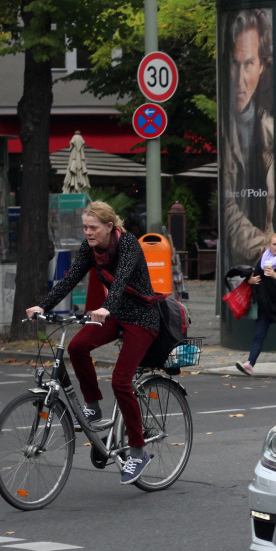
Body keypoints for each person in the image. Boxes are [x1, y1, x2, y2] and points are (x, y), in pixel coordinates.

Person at [25, 201, 160, 485]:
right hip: (114, 313)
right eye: (85, 227)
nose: (88, 232)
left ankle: (138, 450)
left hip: (141, 318)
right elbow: (70, 278)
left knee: (121, 381)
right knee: (76, 346)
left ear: (109, 227)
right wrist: (42, 305)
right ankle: (93, 406)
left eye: (93, 227)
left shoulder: (129, 244)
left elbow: (121, 279)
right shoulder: (90, 249)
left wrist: (106, 307)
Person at [221, 7, 275, 270]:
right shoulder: (225, 131)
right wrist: (270, 249)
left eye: (249, 64)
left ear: (262, 66)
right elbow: (227, 206)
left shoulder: (272, 131)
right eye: (234, 63)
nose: (241, 79)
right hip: (248, 264)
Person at [235, 234, 276, 377]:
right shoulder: (263, 260)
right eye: (274, 244)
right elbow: (255, 275)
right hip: (265, 303)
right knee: (259, 334)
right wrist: (250, 281)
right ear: (269, 245)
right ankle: (250, 363)